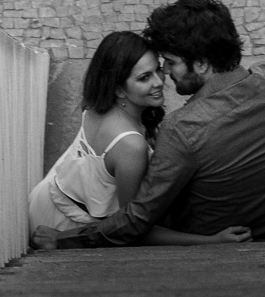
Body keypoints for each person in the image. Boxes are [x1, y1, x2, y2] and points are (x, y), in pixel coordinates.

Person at [33, 0, 265, 250]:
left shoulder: (184, 129)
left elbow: (136, 220)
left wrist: (65, 240)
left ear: (202, 64)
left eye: (170, 63)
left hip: (207, 247)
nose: (166, 74)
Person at [28, 31, 250, 246]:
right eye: (144, 78)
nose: (158, 82)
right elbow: (133, 228)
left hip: (46, 199)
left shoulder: (97, 106)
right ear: (119, 90)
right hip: (64, 226)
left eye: (157, 70)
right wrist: (211, 241)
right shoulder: (131, 146)